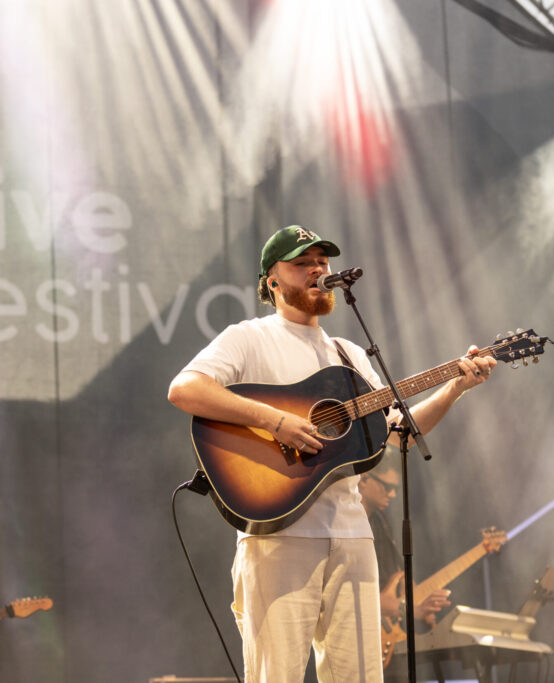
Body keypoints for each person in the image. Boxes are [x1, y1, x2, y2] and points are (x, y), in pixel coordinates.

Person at [168, 225, 496, 683]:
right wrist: (274, 420)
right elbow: (185, 389)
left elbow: (398, 433)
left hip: (352, 536)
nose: (317, 270)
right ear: (272, 281)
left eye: (322, 261)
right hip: (277, 536)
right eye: (302, 263)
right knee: (276, 675)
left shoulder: (349, 354)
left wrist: (456, 387)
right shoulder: (249, 338)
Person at [358, 458, 451, 632]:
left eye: (396, 489)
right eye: (387, 487)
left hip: (377, 629)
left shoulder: (380, 522)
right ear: (364, 478)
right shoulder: (346, 525)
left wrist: (422, 603)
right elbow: (357, 593)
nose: (393, 495)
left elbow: (396, 578)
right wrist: (412, 610)